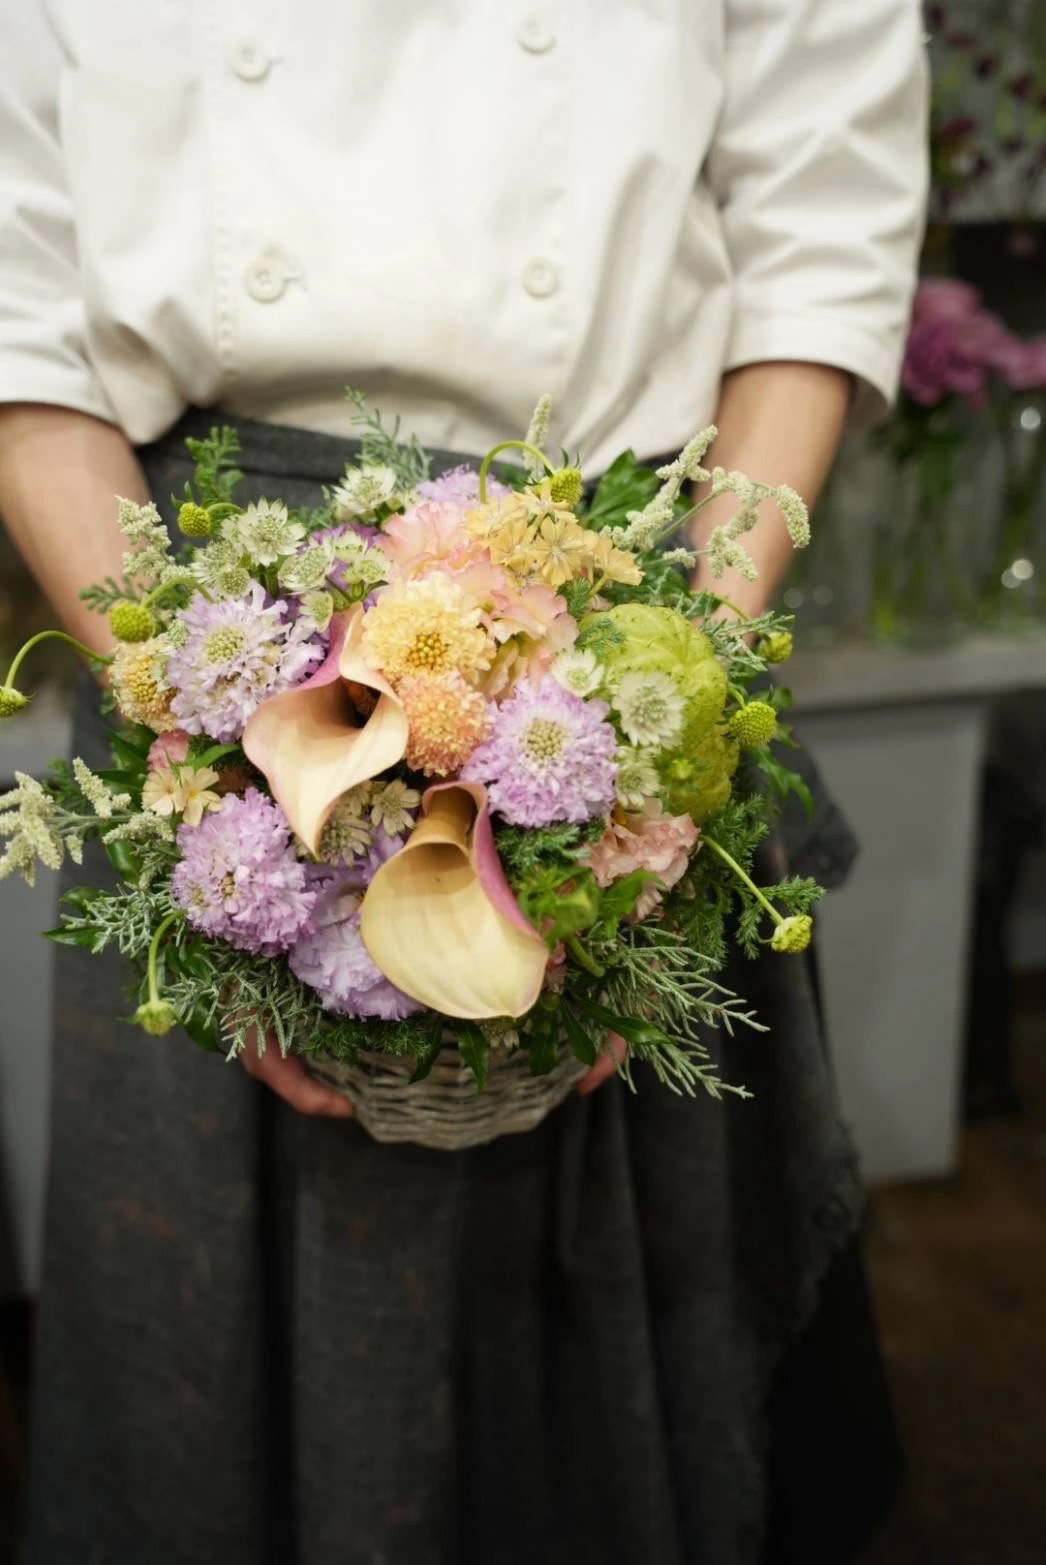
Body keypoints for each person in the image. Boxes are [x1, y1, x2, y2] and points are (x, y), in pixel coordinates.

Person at [0, 4, 928, 1562]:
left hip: (624, 599)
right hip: (199, 617)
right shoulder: (204, 718)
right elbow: (22, 325)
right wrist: (215, 764)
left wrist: (657, 738)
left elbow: (816, 246)